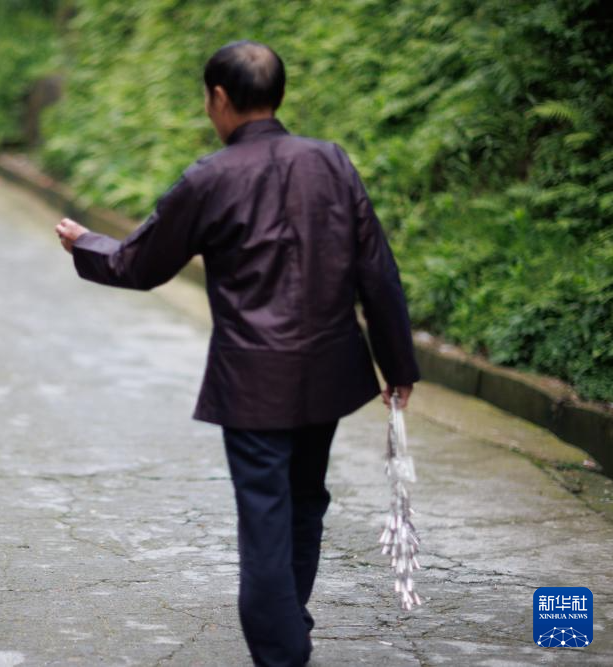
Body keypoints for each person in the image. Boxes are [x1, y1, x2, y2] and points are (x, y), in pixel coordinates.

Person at [56, 41, 420, 666]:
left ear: (219, 98)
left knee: (266, 516)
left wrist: (85, 242)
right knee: (305, 501)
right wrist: (398, 364)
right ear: (279, 94)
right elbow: (376, 271)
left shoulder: (210, 177)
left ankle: (282, 653)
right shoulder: (331, 162)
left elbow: (141, 265)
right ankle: (290, 623)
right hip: (328, 370)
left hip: (253, 381)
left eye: (207, 99)